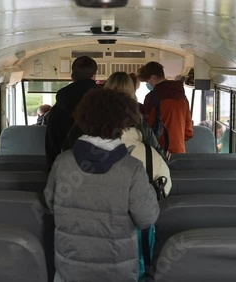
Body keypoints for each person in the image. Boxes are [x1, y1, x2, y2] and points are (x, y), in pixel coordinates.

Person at [44, 88, 159, 282]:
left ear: (83, 118)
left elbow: (50, 203)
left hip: (70, 267)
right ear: (122, 124)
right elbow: (147, 218)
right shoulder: (132, 169)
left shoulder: (62, 162)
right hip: (117, 269)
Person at [45, 56, 98, 170]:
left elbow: (51, 146)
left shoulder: (57, 109)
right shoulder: (109, 104)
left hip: (67, 170)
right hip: (101, 168)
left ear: (72, 77)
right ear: (94, 76)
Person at [137, 61, 193, 154]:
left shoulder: (152, 97)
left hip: (159, 151)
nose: (148, 84)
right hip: (179, 151)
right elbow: (188, 132)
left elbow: (148, 128)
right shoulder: (183, 98)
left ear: (153, 78)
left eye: (148, 81)